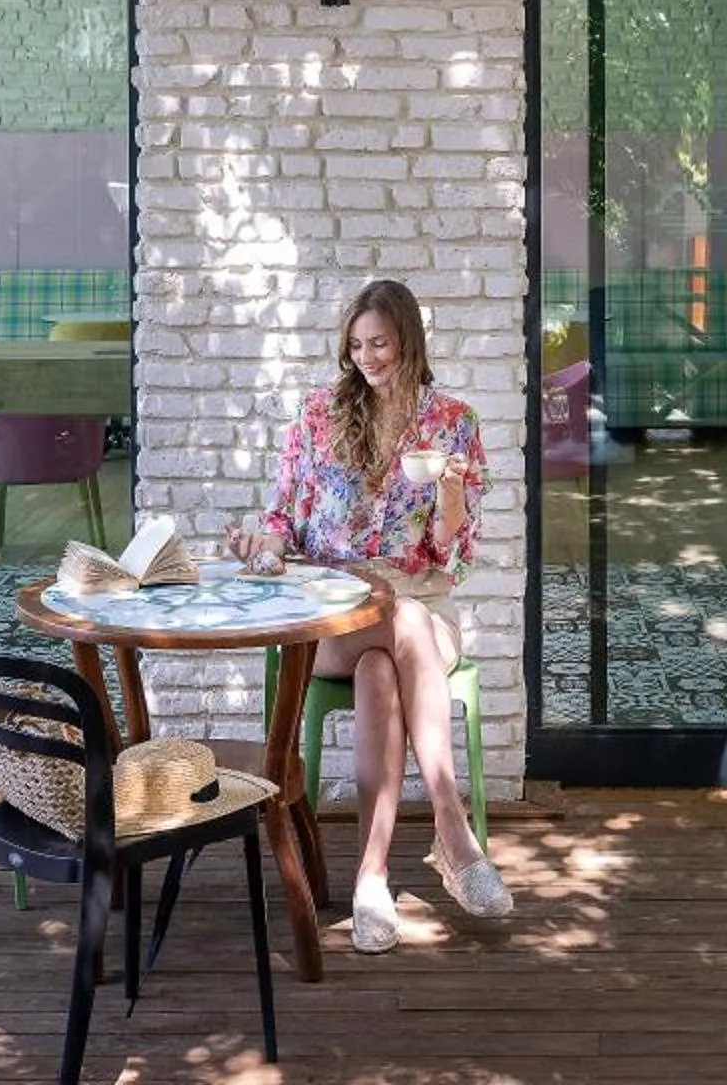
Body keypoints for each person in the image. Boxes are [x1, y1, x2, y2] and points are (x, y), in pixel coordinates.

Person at [227, 276, 511, 953]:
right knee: (394, 633)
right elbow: (281, 524)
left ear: (408, 340)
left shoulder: (454, 424)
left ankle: (371, 878)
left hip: (421, 598)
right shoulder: (320, 415)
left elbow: (454, 552)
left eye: (379, 342)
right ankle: (451, 825)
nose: (367, 357)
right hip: (335, 608)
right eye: (356, 345)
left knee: (387, 665)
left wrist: (447, 491)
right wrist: (260, 544)